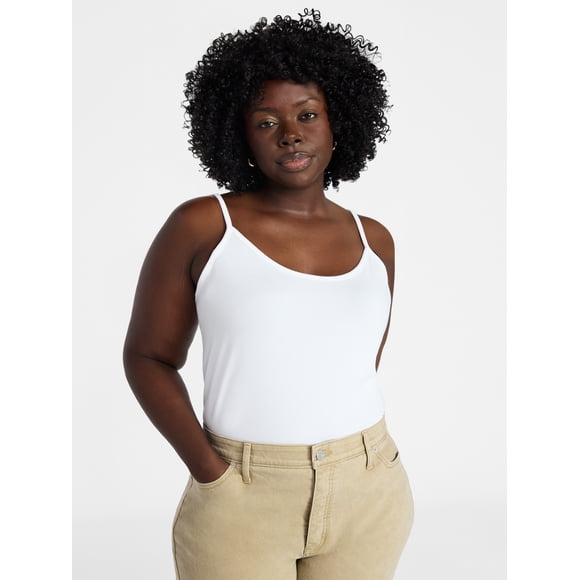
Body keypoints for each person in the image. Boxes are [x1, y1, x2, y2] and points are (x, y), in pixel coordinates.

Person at [123, 8, 413, 580]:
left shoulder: (374, 240)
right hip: (243, 493)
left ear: (338, 121)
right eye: (266, 122)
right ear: (240, 135)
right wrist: (212, 473)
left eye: (307, 114)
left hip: (370, 486)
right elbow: (148, 357)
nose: (290, 134)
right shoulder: (204, 226)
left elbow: (356, 362)